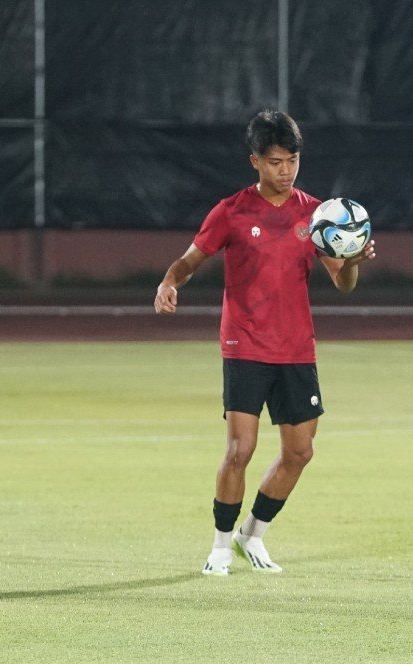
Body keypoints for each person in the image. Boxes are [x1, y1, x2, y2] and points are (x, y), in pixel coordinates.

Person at [153, 109, 376, 575]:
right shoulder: (231, 211)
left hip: (296, 349)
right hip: (245, 345)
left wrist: (352, 258)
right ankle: (217, 547)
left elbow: (344, 284)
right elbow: (190, 260)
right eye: (275, 161)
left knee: (300, 452)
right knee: (241, 449)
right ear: (254, 161)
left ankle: (251, 534)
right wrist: (169, 282)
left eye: (292, 160)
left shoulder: (316, 215)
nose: (286, 170)